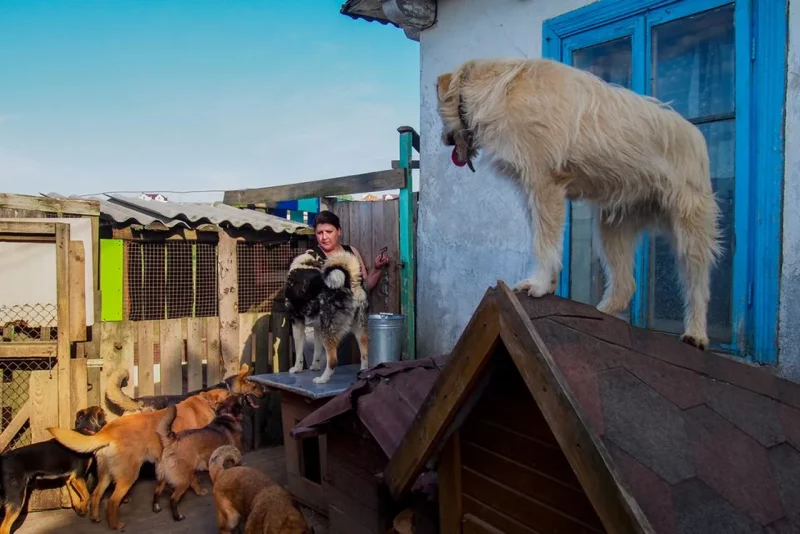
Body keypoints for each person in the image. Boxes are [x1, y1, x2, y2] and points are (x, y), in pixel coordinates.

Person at [310, 210, 390, 291]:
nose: (324, 237)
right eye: (320, 233)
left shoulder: (352, 251)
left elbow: (365, 287)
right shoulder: (311, 258)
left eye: (329, 232)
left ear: (338, 231)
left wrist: (377, 268)